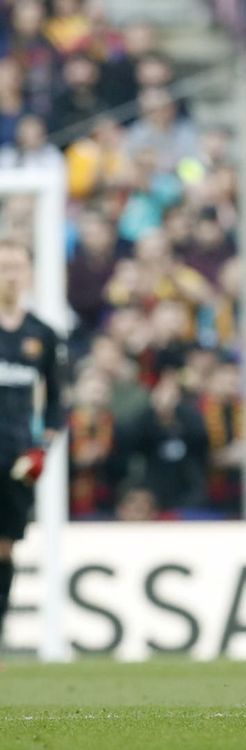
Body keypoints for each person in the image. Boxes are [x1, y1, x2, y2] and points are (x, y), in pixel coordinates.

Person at [0, 239, 65, 648]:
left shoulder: (42, 334)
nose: (10, 275)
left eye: (17, 267)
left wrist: (42, 448)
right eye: (4, 267)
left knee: (4, 549)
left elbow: (57, 402)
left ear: (28, 274)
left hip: (16, 459)